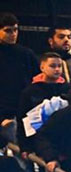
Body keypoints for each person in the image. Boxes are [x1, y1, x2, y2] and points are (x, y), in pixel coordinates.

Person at [16, 52, 69, 152]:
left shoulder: (68, 89)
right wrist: (25, 147)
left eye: (59, 66)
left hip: (63, 141)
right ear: (42, 67)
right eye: (52, 66)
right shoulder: (30, 91)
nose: (57, 69)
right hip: (37, 141)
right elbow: (22, 119)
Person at [0, 12, 39, 143]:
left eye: (15, 30)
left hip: (23, 107)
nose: (13, 34)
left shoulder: (26, 54)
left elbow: (37, 78)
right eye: (8, 31)